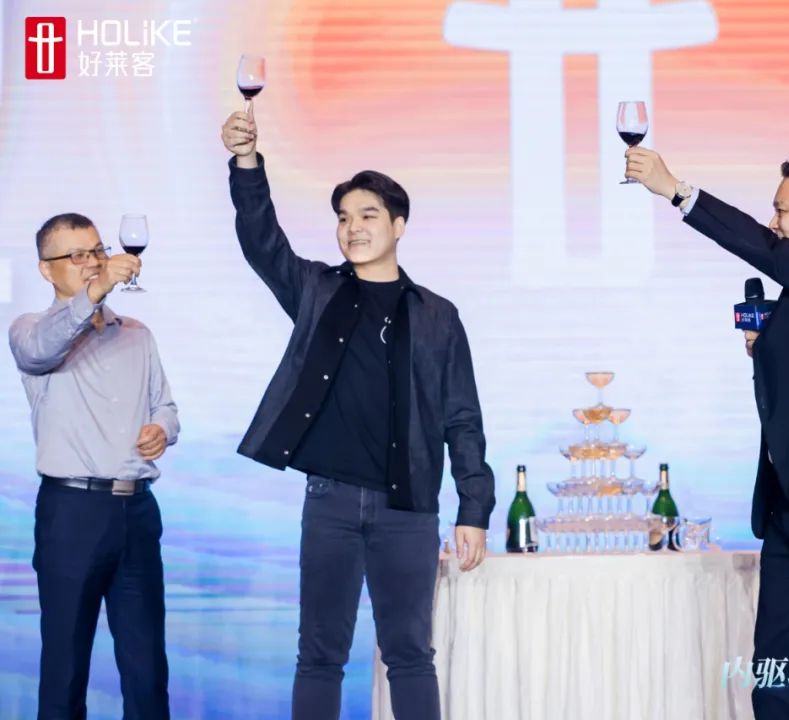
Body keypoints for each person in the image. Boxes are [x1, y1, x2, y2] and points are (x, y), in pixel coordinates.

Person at [220, 110, 495, 720]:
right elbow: (262, 242)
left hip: (408, 508)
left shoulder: (437, 315)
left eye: (368, 215)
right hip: (331, 502)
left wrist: (473, 508)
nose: (353, 228)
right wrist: (246, 163)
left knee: (410, 654)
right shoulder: (318, 291)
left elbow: (462, 418)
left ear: (398, 226)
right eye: (343, 218)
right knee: (319, 655)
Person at [626, 148, 789, 718]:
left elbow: (771, 253)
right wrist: (766, 346)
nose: (774, 223)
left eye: (782, 210)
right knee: (775, 675)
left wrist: (678, 190)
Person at [9, 213, 179, 719]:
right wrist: (96, 291)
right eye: (77, 255)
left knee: (148, 672)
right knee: (65, 670)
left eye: (97, 251)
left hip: (137, 512)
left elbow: (166, 407)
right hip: (72, 513)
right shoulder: (29, 330)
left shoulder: (137, 334)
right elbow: (41, 352)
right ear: (46, 269)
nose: (92, 262)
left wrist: (162, 429)